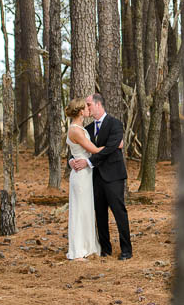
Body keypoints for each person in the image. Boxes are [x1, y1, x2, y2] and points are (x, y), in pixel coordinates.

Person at [69, 93, 133, 260]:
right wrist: (72, 160)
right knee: (100, 214)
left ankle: (126, 249)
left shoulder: (115, 124)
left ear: (98, 105)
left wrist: (89, 162)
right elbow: (79, 149)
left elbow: (109, 150)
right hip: (94, 178)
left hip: (113, 176)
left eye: (89, 105)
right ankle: (105, 249)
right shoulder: (86, 129)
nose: (87, 108)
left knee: (119, 212)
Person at [64, 97, 103, 260]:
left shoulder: (80, 128)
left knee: (87, 210)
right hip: (80, 176)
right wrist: (115, 145)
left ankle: (89, 247)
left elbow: (77, 152)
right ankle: (78, 250)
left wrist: (71, 160)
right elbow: (93, 150)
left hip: (86, 172)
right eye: (86, 107)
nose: (88, 109)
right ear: (80, 112)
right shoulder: (75, 130)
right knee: (79, 211)